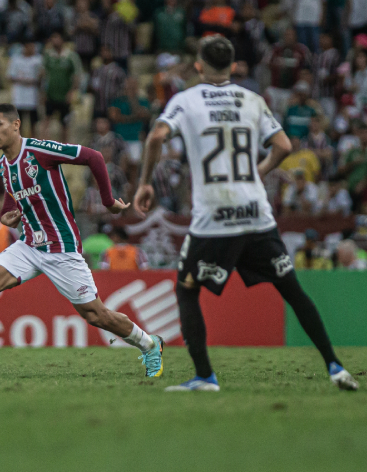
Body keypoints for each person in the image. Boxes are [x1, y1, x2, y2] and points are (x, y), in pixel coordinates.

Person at [134, 36, 358, 391]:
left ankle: (205, 376)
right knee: (292, 290)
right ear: (234, 65)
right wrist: (259, 170)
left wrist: (145, 182)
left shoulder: (186, 100)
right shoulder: (252, 99)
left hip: (214, 216)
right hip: (256, 212)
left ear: (198, 66)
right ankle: (334, 366)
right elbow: (283, 146)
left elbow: (155, 137)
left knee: (187, 290)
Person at [0, 103, 164, 378]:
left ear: (16, 125)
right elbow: (11, 203)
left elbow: (93, 157)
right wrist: (9, 217)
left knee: (96, 315)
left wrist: (108, 201)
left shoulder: (39, 151)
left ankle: (149, 344)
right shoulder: (3, 166)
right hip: (29, 245)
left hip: (61, 246)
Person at [40, 30, 82, 144]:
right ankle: (43, 145)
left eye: (57, 38)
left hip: (64, 95)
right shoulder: (48, 55)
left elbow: (76, 76)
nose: (55, 41)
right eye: (53, 38)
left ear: (62, 40)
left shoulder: (71, 56)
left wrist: (72, 92)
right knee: (46, 120)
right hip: (51, 94)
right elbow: (44, 75)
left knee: (65, 123)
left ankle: (64, 146)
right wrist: (43, 93)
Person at [108, 76, 151, 164]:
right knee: (121, 163)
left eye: (133, 85)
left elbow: (143, 115)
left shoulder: (143, 101)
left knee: (134, 164)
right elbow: (114, 117)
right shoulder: (118, 101)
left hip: (135, 137)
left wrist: (132, 99)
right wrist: (134, 117)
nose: (130, 87)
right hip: (120, 137)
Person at [7, 40, 43, 138]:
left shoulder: (38, 60)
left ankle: (33, 141)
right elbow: (10, 77)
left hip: (32, 96)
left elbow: (42, 75)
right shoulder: (16, 59)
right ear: (25, 47)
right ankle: (20, 142)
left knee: (33, 123)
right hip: (20, 96)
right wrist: (25, 81)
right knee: (20, 122)